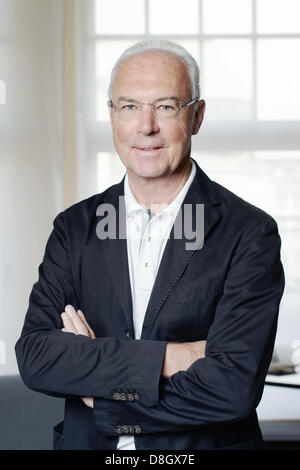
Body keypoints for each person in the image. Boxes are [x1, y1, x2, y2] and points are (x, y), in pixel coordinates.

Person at [15, 40, 285, 451]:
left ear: (196, 116)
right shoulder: (75, 228)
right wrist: (171, 358)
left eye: (166, 106)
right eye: (129, 106)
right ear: (111, 116)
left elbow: (233, 386)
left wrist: (101, 395)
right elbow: (37, 357)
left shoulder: (249, 233)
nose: (146, 126)